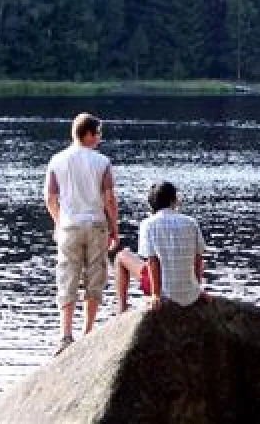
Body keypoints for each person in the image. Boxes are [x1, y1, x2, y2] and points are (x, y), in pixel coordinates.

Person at [45, 113, 119, 355]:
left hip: (68, 227)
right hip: (96, 224)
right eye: (97, 133)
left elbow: (50, 199)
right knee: (95, 276)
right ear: (87, 134)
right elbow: (109, 199)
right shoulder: (103, 162)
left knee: (67, 276)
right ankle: (88, 332)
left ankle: (66, 335)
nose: (99, 138)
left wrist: (59, 222)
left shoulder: (56, 160)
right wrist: (115, 228)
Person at [114, 181, 208, 313]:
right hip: (190, 294)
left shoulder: (148, 224)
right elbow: (198, 259)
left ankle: (122, 309)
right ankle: (193, 289)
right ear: (173, 200)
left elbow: (152, 261)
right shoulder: (191, 222)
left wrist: (156, 295)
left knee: (121, 256)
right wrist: (197, 289)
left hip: (165, 292)